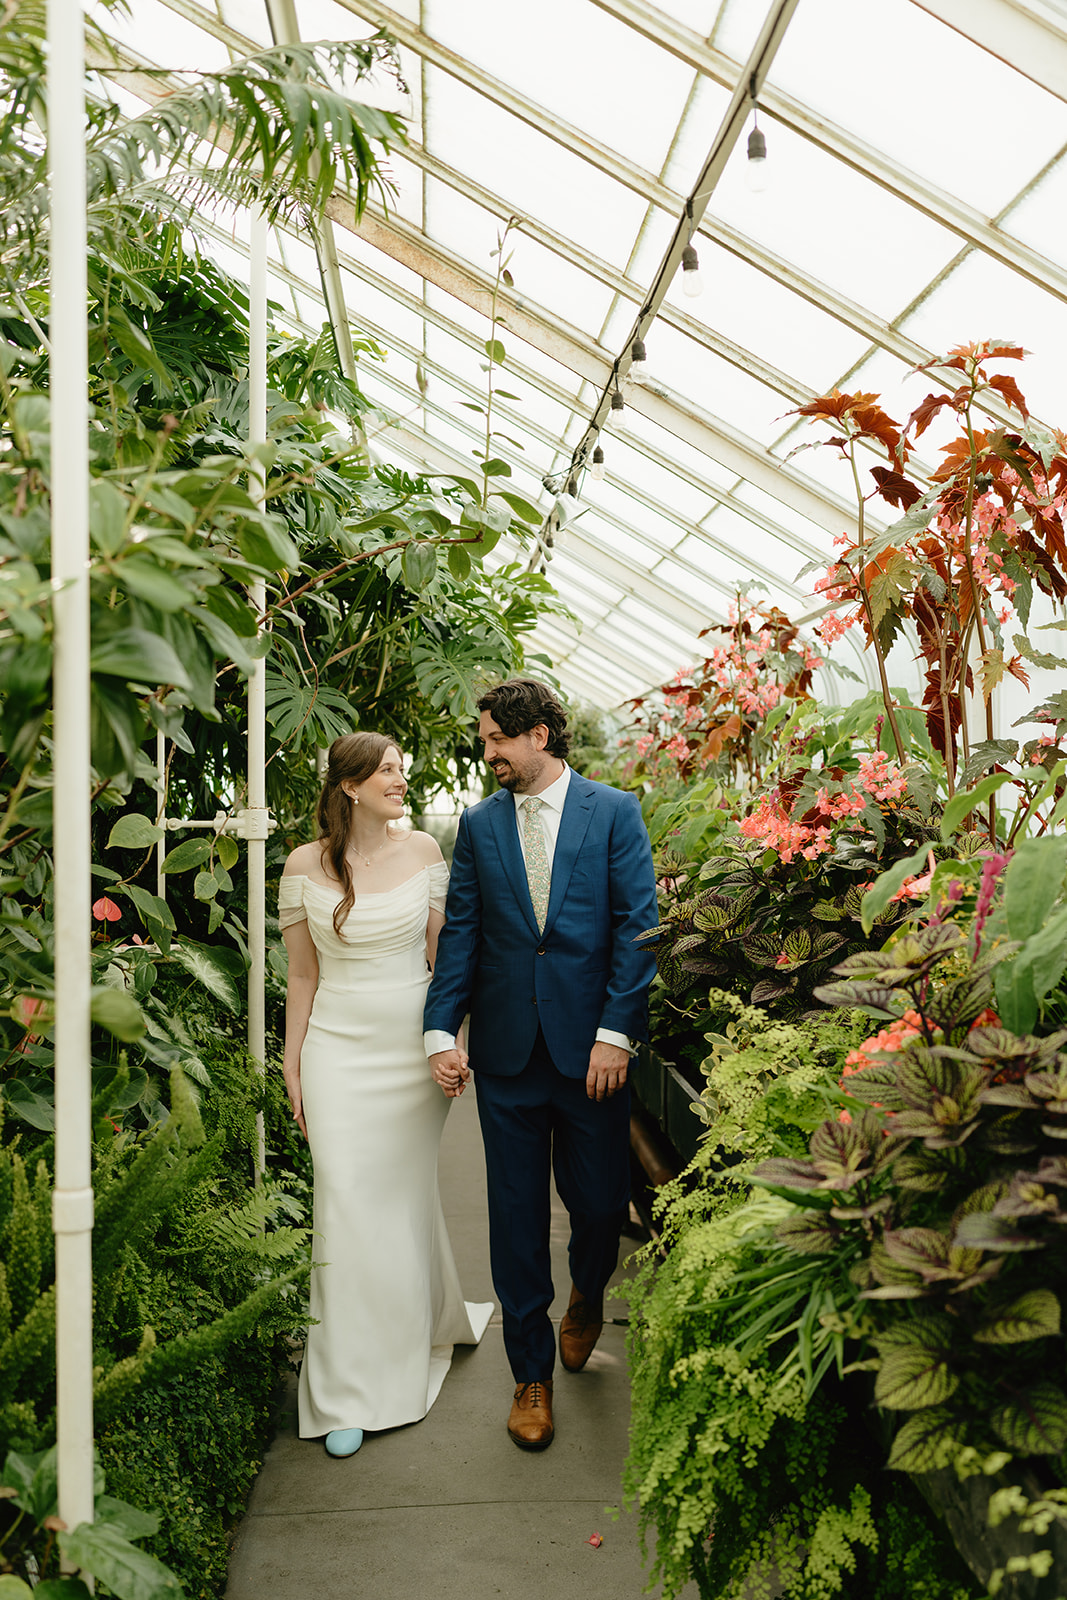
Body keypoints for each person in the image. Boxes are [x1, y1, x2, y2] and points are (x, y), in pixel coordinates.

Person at [423, 679, 658, 1451]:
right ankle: (529, 1377)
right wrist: (439, 1030)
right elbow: (462, 935)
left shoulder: (614, 812)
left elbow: (636, 930)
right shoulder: (479, 826)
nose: (485, 751)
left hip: (592, 1053)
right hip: (507, 1055)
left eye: (496, 738)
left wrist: (614, 1035)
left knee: (597, 1206)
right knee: (514, 1220)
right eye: (484, 738)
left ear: (540, 737)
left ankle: (586, 1293)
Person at [279, 731, 492, 1459]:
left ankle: (397, 1354)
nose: (401, 779)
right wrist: (291, 1059)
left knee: (394, 1203)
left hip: (408, 1051)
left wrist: (448, 1042)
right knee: (343, 1200)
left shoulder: (426, 854)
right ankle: (344, 1389)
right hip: (335, 1049)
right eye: (388, 770)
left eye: (403, 767)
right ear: (349, 785)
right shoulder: (303, 864)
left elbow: (446, 961)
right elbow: (302, 977)